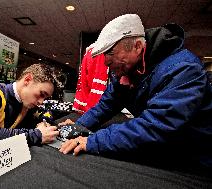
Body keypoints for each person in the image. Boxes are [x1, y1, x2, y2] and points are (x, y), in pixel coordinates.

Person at [59, 14, 212, 171]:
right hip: (165, 148)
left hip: (196, 159)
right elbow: (108, 102)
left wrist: (92, 141)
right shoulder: (126, 68)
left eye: (110, 53)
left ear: (137, 46)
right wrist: (80, 124)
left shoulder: (184, 69)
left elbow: (155, 125)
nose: (105, 62)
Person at [72, 45, 108, 114]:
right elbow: (98, 87)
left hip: (86, 107)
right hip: (94, 109)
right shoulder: (101, 54)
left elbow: (83, 83)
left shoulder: (89, 52)